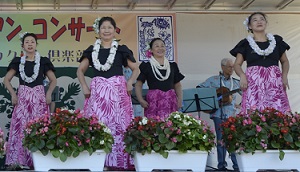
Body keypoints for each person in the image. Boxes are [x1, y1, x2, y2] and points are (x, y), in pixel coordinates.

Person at [76, 16, 139, 171]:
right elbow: (80, 70)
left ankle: (119, 161)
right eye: (103, 27)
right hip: (98, 92)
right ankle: (98, 162)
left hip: (118, 91)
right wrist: (84, 86)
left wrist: (130, 82)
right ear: (98, 30)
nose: (106, 30)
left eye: (109, 27)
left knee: (120, 125)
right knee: (98, 123)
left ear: (115, 30)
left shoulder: (121, 49)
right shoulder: (91, 50)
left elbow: (136, 69)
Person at [3, 32, 57, 168]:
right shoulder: (17, 62)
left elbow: (53, 80)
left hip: (39, 97)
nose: (30, 44)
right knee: (21, 127)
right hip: (23, 97)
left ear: (36, 44)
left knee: (39, 127)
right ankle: (20, 161)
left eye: (32, 41)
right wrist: (13, 95)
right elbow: (6, 80)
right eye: (27, 42)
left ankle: (39, 161)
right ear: (23, 46)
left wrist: (49, 93)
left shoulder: (43, 61)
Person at [230, 12, 291, 113]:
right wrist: (242, 76)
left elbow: (285, 61)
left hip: (274, 81)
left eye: (262, 19)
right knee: (253, 112)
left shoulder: (276, 41)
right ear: (249, 25)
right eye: (255, 20)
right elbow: (237, 64)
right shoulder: (245, 44)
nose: (259, 21)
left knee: (277, 111)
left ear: (266, 23)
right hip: (253, 82)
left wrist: (284, 75)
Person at [197, 58, 240, 171]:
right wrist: (214, 94)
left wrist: (241, 105)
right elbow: (199, 89)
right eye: (229, 66)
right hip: (218, 114)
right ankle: (221, 165)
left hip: (231, 115)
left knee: (233, 139)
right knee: (221, 140)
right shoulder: (213, 80)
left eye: (233, 67)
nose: (232, 69)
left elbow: (247, 93)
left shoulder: (236, 82)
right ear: (223, 67)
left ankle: (236, 165)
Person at [135, 37, 184, 121]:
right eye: (157, 46)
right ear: (151, 50)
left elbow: (177, 84)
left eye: (162, 46)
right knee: (154, 126)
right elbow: (138, 84)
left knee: (171, 126)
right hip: (154, 100)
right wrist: (140, 100)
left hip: (170, 99)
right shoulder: (146, 66)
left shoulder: (172, 66)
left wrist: (180, 99)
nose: (160, 48)